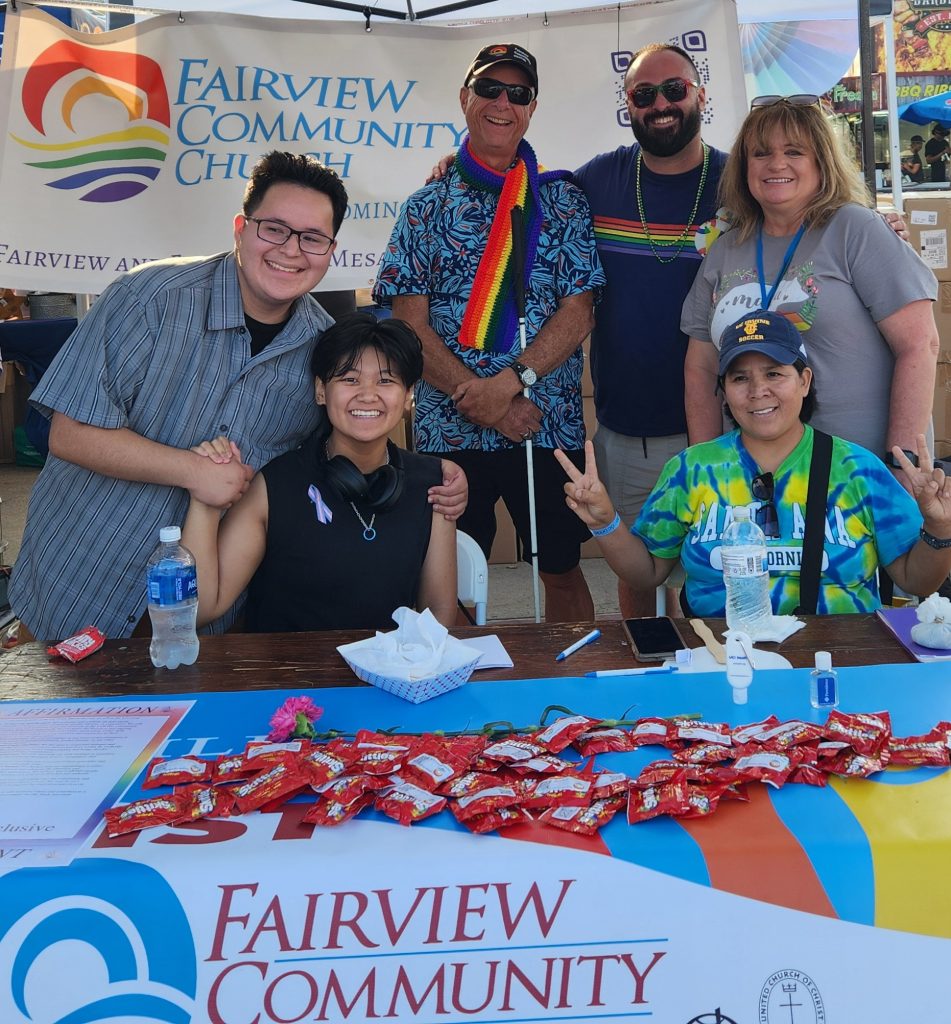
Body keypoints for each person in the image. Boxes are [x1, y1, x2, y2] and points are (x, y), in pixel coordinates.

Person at [10, 150, 466, 644]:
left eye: (312, 238)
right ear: (241, 228)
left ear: (331, 250)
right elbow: (69, 433)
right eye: (274, 228)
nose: (291, 250)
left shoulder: (324, 349)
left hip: (209, 617)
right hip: (78, 584)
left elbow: (343, 449)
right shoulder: (150, 298)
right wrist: (193, 471)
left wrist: (438, 479)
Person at [374, 43, 605, 622]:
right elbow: (408, 323)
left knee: (561, 567)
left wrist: (511, 383)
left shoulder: (562, 201)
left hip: (544, 422)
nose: (503, 102)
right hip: (451, 427)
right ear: (465, 98)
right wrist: (486, 401)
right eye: (490, 89)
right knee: (450, 573)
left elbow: (579, 312)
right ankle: (461, 693)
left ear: (531, 109)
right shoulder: (425, 207)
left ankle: (569, 681)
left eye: (518, 93)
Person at [557, 311, 951, 616]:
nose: (758, 390)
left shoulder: (858, 469)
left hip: (838, 665)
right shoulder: (692, 469)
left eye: (774, 373)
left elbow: (916, 579)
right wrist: (603, 521)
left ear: (805, 380)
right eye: (739, 378)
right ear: (724, 391)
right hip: (720, 659)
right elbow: (648, 573)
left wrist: (939, 527)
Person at [682, 96, 938, 477]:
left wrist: (903, 464)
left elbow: (920, 345)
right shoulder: (725, 250)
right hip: (753, 479)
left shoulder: (855, 229)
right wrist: (703, 470)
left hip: (855, 476)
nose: (776, 164)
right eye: (761, 153)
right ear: (743, 167)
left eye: (794, 151)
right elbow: (700, 369)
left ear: (822, 161)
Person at [182, 314, 457, 631]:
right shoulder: (274, 485)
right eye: (349, 380)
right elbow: (202, 609)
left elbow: (438, 612)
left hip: (389, 674)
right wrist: (205, 504)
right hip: (289, 675)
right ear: (321, 391)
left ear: (408, 394)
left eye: (386, 381)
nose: (368, 395)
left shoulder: (435, 485)